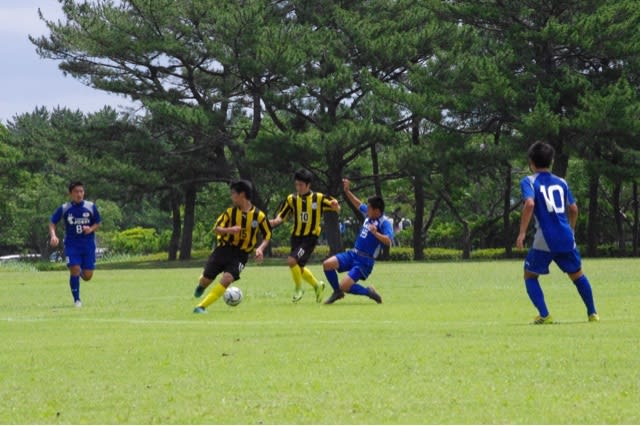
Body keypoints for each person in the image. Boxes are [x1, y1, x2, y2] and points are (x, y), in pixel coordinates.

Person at [516, 141, 599, 324]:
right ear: (551, 161)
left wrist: (522, 233)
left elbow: (530, 204)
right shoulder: (561, 182)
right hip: (565, 235)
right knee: (577, 275)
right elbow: (574, 209)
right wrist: (571, 230)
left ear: (531, 162)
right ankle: (592, 313)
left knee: (530, 275)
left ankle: (545, 315)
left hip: (545, 237)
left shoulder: (529, 181)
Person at [193, 180, 271, 313]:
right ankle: (201, 285)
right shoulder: (230, 212)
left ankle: (201, 307)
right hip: (223, 250)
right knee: (206, 280)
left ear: (242, 194)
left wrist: (260, 248)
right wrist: (230, 230)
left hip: (241, 255)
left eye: (233, 193)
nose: (232, 196)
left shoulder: (259, 216)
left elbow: (267, 235)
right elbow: (216, 228)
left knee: (227, 278)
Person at [269, 168, 340, 303]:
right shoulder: (292, 199)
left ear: (308, 185)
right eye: (296, 184)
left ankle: (298, 288)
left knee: (291, 261)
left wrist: (335, 206)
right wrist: (273, 222)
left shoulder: (318, 198)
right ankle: (317, 285)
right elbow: (282, 216)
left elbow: (336, 207)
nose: (298, 187)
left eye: (301, 185)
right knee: (298, 267)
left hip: (310, 238)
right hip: (296, 237)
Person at [323, 178, 394, 304]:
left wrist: (376, 233)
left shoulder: (385, 223)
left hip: (364, 261)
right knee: (327, 264)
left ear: (377, 211)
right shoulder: (369, 214)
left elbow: (388, 241)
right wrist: (347, 191)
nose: (367, 210)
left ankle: (368, 292)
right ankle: (337, 292)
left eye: (370, 208)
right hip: (353, 254)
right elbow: (357, 204)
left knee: (345, 286)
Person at [49, 181, 102, 307]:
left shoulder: (90, 207)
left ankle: (79, 270)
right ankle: (77, 300)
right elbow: (52, 222)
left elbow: (98, 222)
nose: (79, 194)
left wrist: (90, 229)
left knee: (88, 276)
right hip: (72, 244)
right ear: (71, 193)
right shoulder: (65, 208)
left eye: (81, 191)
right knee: (75, 269)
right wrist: (53, 235)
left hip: (88, 245)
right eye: (76, 192)